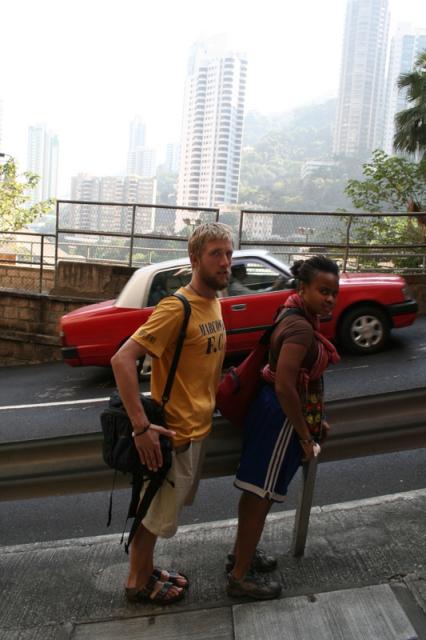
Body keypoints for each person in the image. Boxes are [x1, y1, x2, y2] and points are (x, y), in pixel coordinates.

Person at [111, 222, 233, 605]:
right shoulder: (176, 307)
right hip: (170, 434)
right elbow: (122, 359)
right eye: (216, 254)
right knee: (152, 514)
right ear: (195, 258)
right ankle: (136, 582)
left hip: (197, 429)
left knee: (163, 512)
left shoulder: (213, 300)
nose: (225, 262)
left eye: (228, 253)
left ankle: (147, 570)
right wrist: (141, 426)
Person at [227, 255, 340, 600]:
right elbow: (286, 386)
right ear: (302, 288)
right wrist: (306, 435)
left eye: (334, 292)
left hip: (272, 413)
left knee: (255, 495)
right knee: (261, 497)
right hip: (279, 420)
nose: (330, 299)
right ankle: (240, 577)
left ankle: (241, 555)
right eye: (323, 291)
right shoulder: (301, 328)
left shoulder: (290, 311)